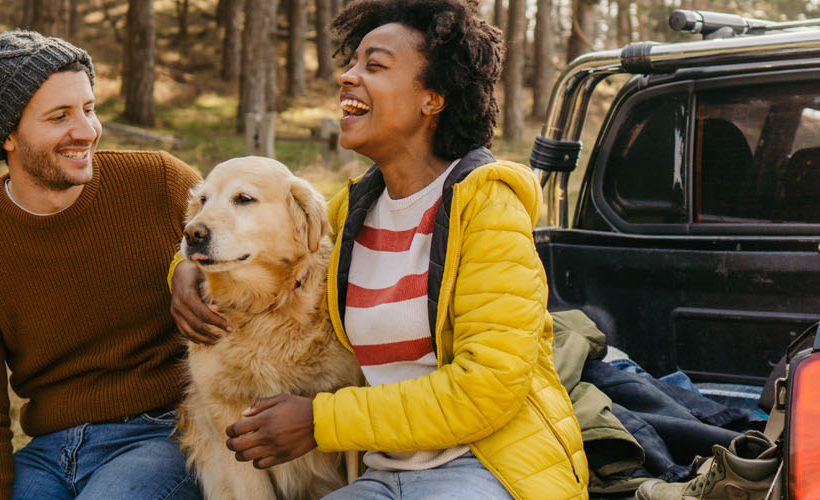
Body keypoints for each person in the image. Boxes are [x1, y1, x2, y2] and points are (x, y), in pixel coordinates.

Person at [169, 0, 589, 498]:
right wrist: (183, 270)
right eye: (351, 64)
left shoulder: (488, 209)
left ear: (433, 98)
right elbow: (260, 233)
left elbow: (487, 388)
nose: (347, 77)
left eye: (375, 65)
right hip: (383, 470)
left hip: (490, 465)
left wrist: (322, 420)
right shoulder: (354, 209)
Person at [0, 31, 202, 500]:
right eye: (60, 116)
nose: (87, 130)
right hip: (51, 449)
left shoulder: (160, 182)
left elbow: (249, 254)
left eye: (89, 108)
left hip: (165, 432)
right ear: (9, 135)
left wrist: (188, 263)